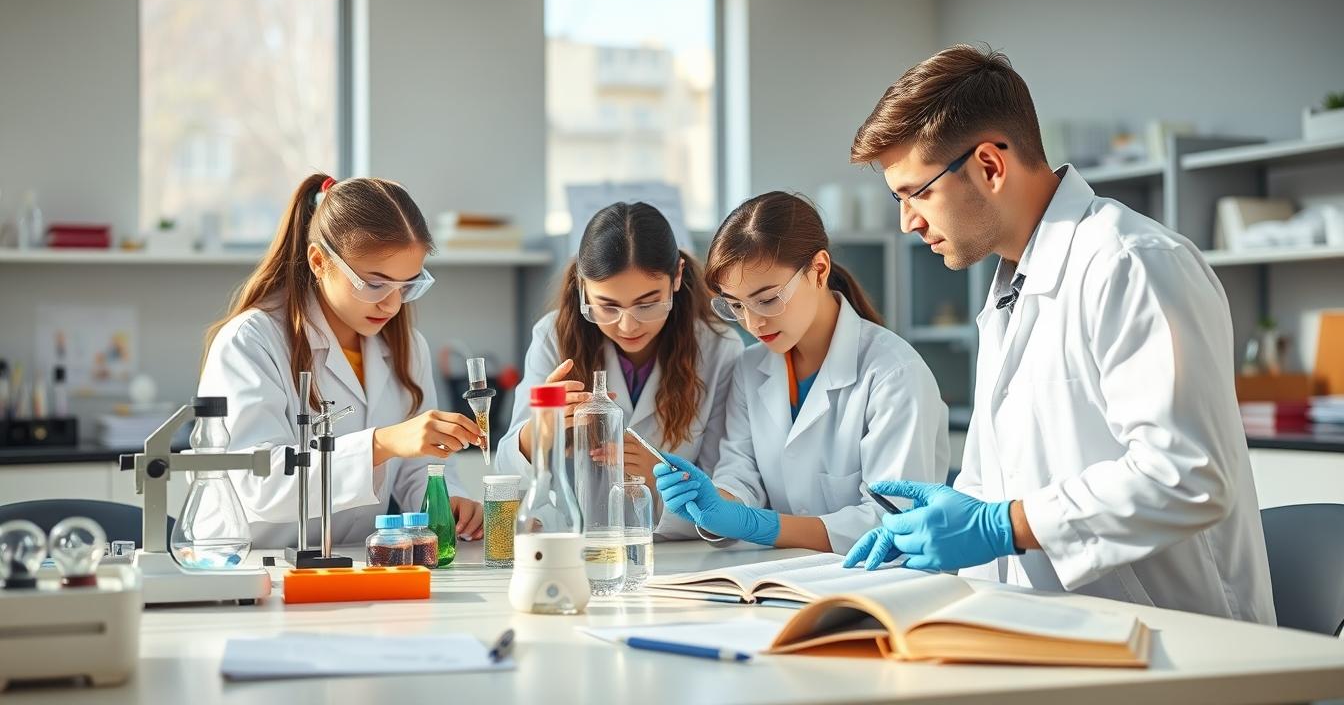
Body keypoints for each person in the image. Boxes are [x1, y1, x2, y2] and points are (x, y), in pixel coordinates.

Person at [842, 44, 1275, 624]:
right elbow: (1004, 483)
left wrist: (1001, 524)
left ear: (990, 166)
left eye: (917, 193)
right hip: (1055, 629)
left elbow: (1186, 475)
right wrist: (948, 528)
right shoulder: (1010, 290)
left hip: (1180, 640)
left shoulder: (1131, 262)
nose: (907, 223)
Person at [653, 191, 949, 553]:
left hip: (880, 578)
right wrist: (715, 504)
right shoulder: (750, 368)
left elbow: (892, 520)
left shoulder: (894, 373)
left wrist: (756, 525)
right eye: (736, 306)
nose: (753, 323)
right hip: (785, 576)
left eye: (767, 299)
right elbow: (741, 474)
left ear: (819, 270)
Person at [198, 173, 485, 548]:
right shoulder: (251, 340)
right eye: (375, 284)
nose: (392, 305)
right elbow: (260, 484)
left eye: (407, 286)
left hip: (347, 558)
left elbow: (417, 468)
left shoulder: (408, 346)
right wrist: (381, 444)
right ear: (319, 261)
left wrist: (447, 499)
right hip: (245, 560)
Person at [495, 202, 743, 538]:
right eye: (608, 306)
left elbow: (725, 492)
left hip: (676, 548)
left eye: (648, 303)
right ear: (583, 287)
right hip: (572, 544)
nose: (628, 326)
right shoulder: (552, 337)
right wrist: (540, 431)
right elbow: (506, 476)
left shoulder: (719, 348)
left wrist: (660, 479)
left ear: (677, 276)